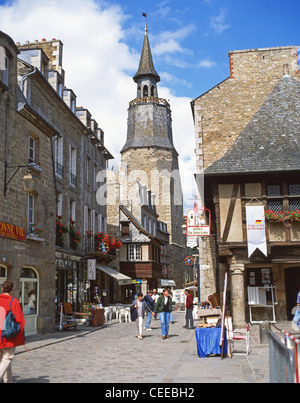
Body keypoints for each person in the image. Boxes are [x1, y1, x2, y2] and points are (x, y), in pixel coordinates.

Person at [0, 280, 25, 383]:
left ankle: (8, 381)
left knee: (5, 360)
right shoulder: (13, 301)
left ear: (2, 289)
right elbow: (19, 319)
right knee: (6, 359)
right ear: (11, 290)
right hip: (8, 335)